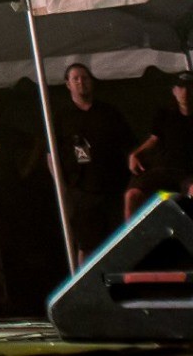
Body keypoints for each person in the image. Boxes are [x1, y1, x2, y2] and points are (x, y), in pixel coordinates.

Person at [50, 62, 134, 254]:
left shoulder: (108, 112)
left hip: (113, 189)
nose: (81, 82)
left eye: (85, 78)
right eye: (76, 79)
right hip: (81, 192)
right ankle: (88, 284)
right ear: (68, 84)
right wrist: (62, 190)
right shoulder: (62, 117)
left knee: (119, 241)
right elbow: (51, 156)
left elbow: (129, 145)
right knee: (87, 245)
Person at [124, 72, 193, 216]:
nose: (185, 92)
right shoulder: (165, 113)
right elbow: (153, 139)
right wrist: (135, 154)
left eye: (189, 87)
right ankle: (134, 237)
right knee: (132, 196)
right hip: (162, 169)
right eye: (181, 88)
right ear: (174, 91)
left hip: (187, 172)